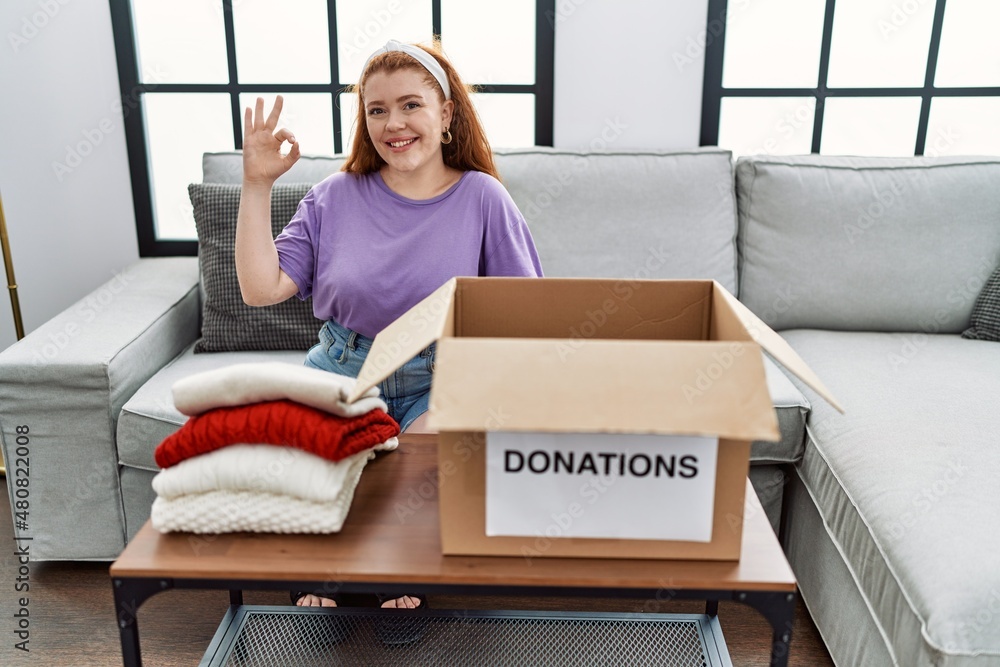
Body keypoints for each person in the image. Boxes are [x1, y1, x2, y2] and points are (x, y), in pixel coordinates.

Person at [235, 39, 544, 611]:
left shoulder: (484, 198)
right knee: (321, 460)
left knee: (422, 455)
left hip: (439, 375)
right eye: (376, 110)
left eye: (410, 106)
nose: (393, 124)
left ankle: (401, 565)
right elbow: (260, 288)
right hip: (343, 371)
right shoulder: (333, 196)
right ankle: (330, 571)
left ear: (446, 114)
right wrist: (256, 184)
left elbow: (523, 319)